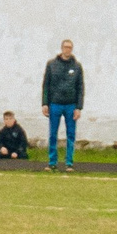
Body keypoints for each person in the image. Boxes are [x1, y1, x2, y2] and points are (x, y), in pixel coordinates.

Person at [42, 38, 84, 171]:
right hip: (55, 104)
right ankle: (52, 162)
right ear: (61, 48)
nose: (68, 50)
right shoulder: (52, 64)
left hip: (71, 105)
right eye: (66, 47)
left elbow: (80, 88)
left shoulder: (77, 66)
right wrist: (45, 103)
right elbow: (46, 85)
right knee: (52, 134)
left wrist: (78, 107)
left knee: (71, 134)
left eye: (70, 47)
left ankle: (69, 163)